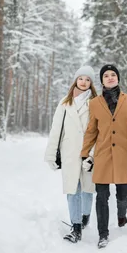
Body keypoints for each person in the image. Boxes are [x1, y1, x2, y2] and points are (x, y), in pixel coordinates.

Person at [81, 64, 127, 249]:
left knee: (123, 194)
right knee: (101, 197)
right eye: (106, 75)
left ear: (118, 78)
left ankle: (121, 216)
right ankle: (103, 235)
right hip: (102, 156)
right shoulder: (94, 103)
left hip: (124, 155)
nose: (110, 77)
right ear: (102, 80)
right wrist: (84, 154)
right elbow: (91, 131)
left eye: (113, 74)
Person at [44, 65, 97, 243]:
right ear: (76, 80)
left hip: (89, 153)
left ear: (91, 83)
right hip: (70, 153)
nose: (83, 82)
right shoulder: (65, 103)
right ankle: (76, 228)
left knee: (88, 191)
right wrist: (51, 154)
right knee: (73, 190)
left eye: (87, 79)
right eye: (81, 78)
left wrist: (93, 155)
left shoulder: (96, 103)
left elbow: (101, 131)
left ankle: (85, 216)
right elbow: (55, 130)